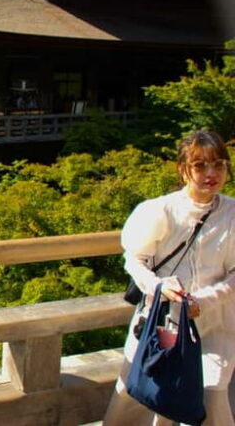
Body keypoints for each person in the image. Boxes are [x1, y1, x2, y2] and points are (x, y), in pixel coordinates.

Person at [103, 130, 235, 426]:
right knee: (139, 392)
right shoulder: (159, 210)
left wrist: (204, 300)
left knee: (211, 394)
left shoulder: (232, 213)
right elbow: (134, 259)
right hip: (163, 320)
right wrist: (158, 286)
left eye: (218, 164)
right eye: (200, 165)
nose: (211, 173)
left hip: (215, 322)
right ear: (183, 169)